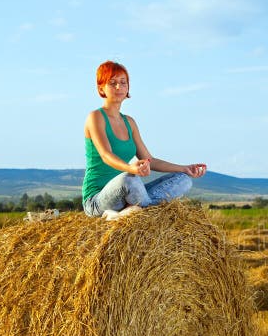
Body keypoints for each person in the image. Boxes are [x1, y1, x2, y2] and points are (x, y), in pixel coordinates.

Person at [82, 60, 207, 219]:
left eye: (123, 82)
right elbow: (106, 155)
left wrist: (184, 168)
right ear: (101, 88)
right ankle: (146, 214)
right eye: (112, 83)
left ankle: (129, 212)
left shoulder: (130, 122)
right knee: (129, 179)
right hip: (97, 200)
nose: (119, 87)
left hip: (128, 194)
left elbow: (150, 160)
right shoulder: (95, 117)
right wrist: (131, 169)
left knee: (184, 180)